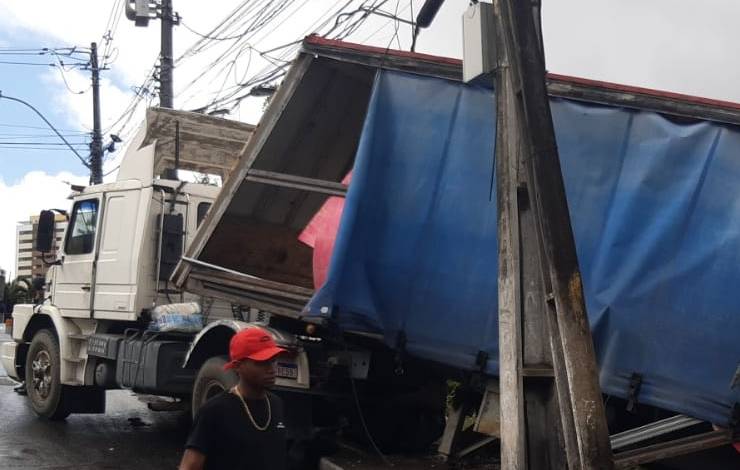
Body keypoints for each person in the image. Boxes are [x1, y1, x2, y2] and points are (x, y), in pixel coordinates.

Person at [179, 327, 288, 470]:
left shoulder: (276, 404)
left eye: (273, 360)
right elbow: (190, 466)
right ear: (237, 366)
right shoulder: (215, 411)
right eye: (261, 362)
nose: (271, 369)